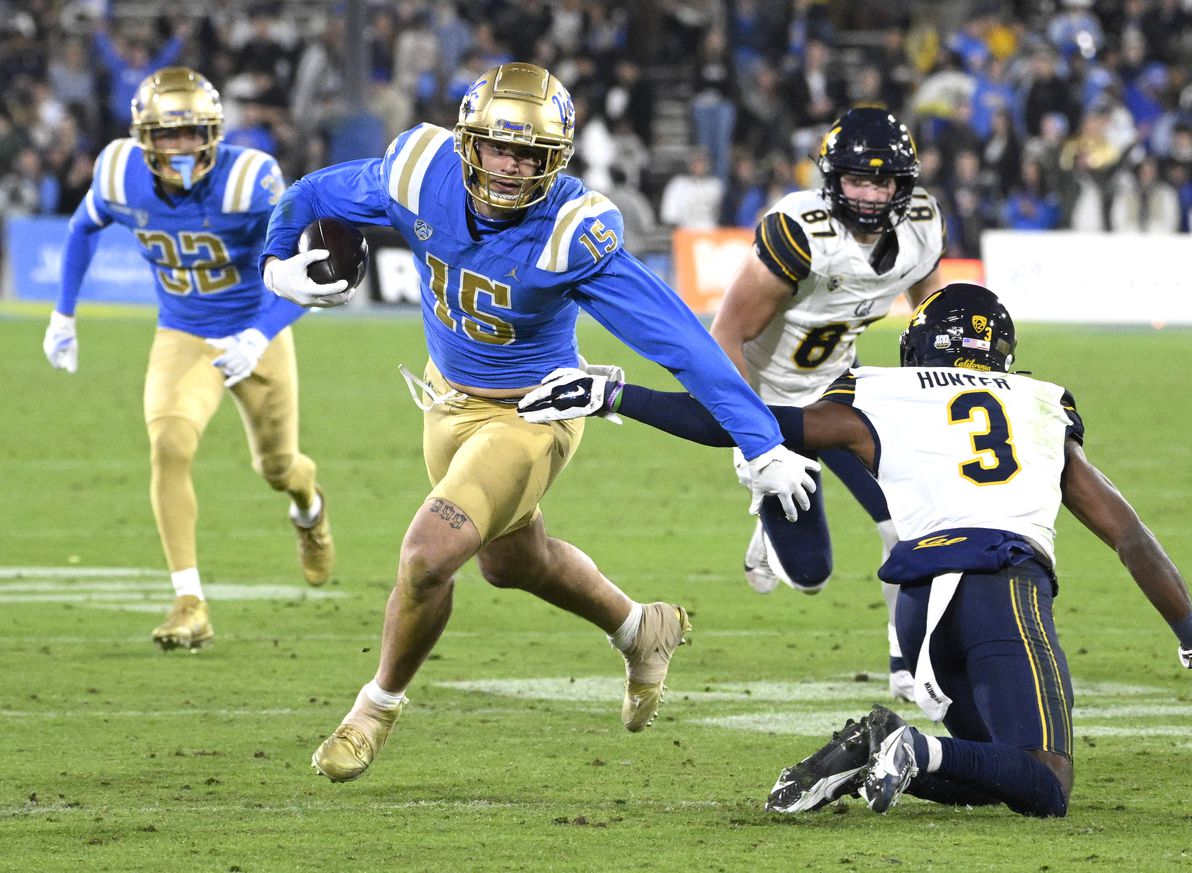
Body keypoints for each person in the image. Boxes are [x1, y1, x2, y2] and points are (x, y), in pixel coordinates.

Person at [257, 62, 817, 783]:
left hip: (532, 414)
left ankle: (373, 708)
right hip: (445, 399)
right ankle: (640, 628)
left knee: (430, 553)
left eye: (530, 154)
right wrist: (277, 263)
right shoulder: (419, 172)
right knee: (509, 560)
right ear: (469, 142)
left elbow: (681, 341)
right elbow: (310, 194)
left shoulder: (571, 231)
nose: (513, 166)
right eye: (498, 146)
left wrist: (761, 439)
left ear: (557, 159)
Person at [516, 282, 1192, 819]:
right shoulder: (1038, 403)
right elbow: (1129, 535)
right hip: (1001, 586)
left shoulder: (881, 393)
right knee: (1045, 781)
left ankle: (878, 747)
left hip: (922, 604)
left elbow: (746, 422)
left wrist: (617, 396)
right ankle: (907, 743)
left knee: (991, 767)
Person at [40, 67, 335, 651]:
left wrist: (258, 335)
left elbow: (309, 276)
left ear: (215, 132)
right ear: (142, 136)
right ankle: (189, 601)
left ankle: (310, 508)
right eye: (167, 135)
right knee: (169, 444)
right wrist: (63, 314)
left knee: (278, 469)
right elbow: (82, 228)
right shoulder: (120, 172)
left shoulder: (251, 180)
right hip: (182, 332)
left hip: (257, 331)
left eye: (192, 133)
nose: (179, 147)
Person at [708, 107, 943, 704]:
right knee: (809, 577)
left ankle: (909, 668)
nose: (867, 195)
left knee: (912, 523)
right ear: (831, 180)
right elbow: (725, 337)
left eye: (881, 181)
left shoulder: (921, 224)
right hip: (772, 407)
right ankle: (768, 512)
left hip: (843, 392)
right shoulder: (799, 231)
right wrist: (755, 443)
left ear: (902, 185)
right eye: (855, 181)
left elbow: (932, 315)